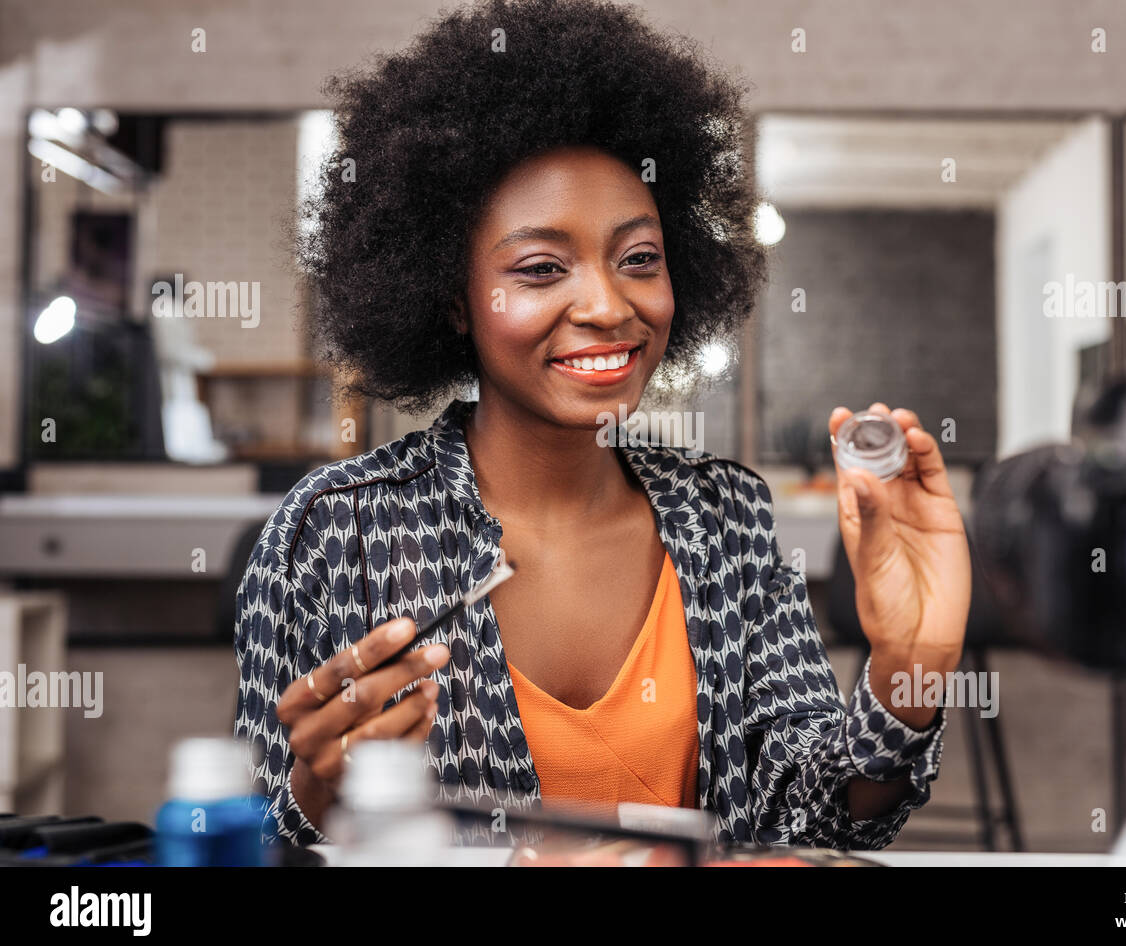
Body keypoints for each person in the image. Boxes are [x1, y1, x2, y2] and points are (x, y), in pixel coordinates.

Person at [234, 0, 971, 850]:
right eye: (542, 268)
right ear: (452, 299)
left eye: (638, 259)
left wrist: (909, 667)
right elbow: (258, 837)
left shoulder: (726, 518)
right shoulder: (336, 530)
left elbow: (811, 826)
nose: (608, 304)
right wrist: (314, 796)